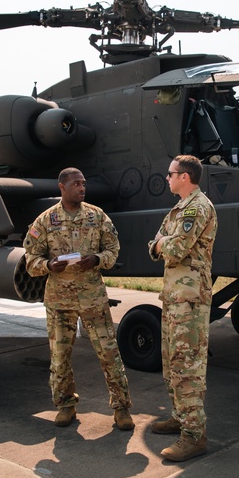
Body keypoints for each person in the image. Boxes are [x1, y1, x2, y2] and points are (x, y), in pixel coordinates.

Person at [24, 167, 134, 431]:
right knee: (60, 357)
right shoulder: (45, 220)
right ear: (62, 187)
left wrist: (97, 259)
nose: (82, 188)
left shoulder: (97, 216)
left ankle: (121, 408)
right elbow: (30, 260)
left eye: (84, 184)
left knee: (109, 354)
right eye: (76, 184)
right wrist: (49, 265)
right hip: (59, 301)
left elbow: (113, 249)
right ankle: (65, 406)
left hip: (93, 298)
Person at [148, 155, 217, 462]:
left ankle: (194, 435)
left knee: (187, 366)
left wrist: (164, 243)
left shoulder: (198, 207)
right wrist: (162, 243)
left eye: (171, 173)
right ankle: (179, 416)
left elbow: (174, 247)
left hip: (190, 298)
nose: (167, 178)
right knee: (172, 362)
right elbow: (157, 243)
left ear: (185, 177)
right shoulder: (179, 207)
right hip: (175, 296)